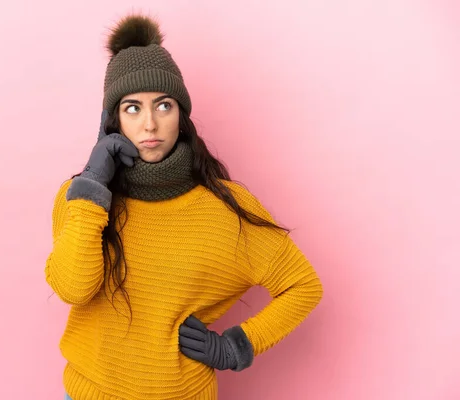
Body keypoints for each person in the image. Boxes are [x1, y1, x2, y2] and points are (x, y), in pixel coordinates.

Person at [45, 14, 323, 400]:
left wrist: (234, 346)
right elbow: (74, 288)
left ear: (181, 114)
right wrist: (93, 183)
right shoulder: (81, 199)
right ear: (113, 120)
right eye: (132, 108)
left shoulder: (225, 208)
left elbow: (303, 286)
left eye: (163, 106)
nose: (149, 125)